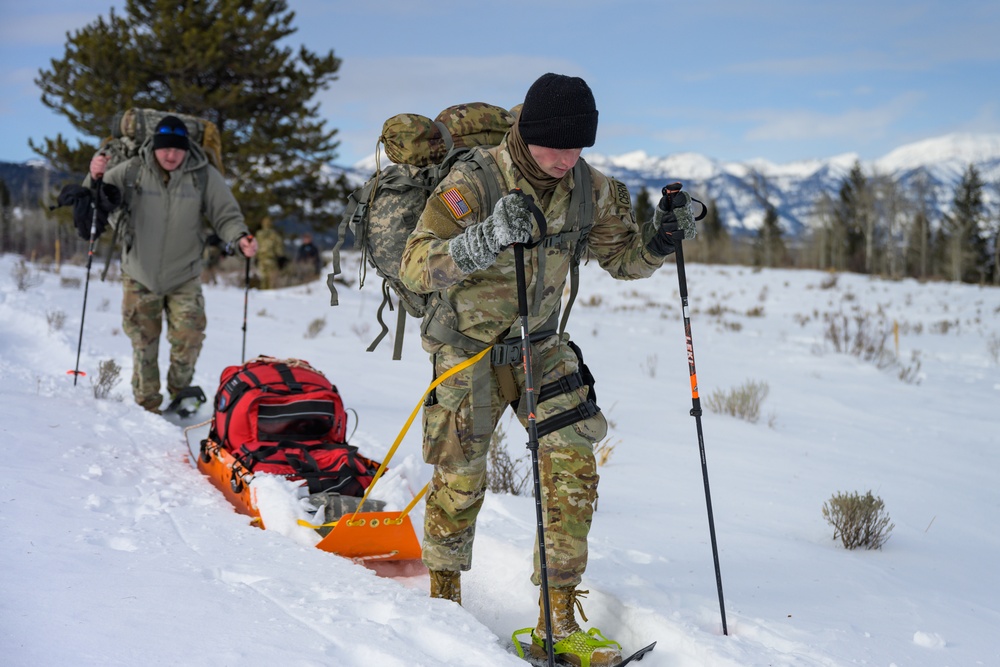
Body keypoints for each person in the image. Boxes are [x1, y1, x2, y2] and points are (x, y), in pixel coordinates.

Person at [399, 73, 694, 666]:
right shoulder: (474, 181)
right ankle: (444, 600)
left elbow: (624, 260)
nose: (565, 159)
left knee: (572, 469)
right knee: (461, 480)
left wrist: (662, 242)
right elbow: (414, 266)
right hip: (468, 347)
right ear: (525, 134)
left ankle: (558, 622)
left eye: (577, 147)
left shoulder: (594, 189)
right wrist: (481, 240)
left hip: (541, 345)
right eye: (553, 147)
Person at [88, 115, 258, 414]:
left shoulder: (202, 175)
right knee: (144, 343)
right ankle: (147, 405)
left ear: (186, 148)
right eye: (165, 149)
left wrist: (240, 237)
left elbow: (226, 215)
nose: (170, 155)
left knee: (189, 339)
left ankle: (181, 394)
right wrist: (95, 174)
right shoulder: (133, 170)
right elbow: (95, 197)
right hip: (139, 272)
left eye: (177, 149)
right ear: (154, 147)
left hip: (184, 275)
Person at [254, 216, 286, 289]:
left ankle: (264, 294)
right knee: (271, 280)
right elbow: (279, 248)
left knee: (263, 279)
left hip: (261, 259)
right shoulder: (274, 235)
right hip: (271, 259)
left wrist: (255, 257)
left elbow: (255, 246)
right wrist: (281, 257)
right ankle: (269, 296)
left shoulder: (259, 234)